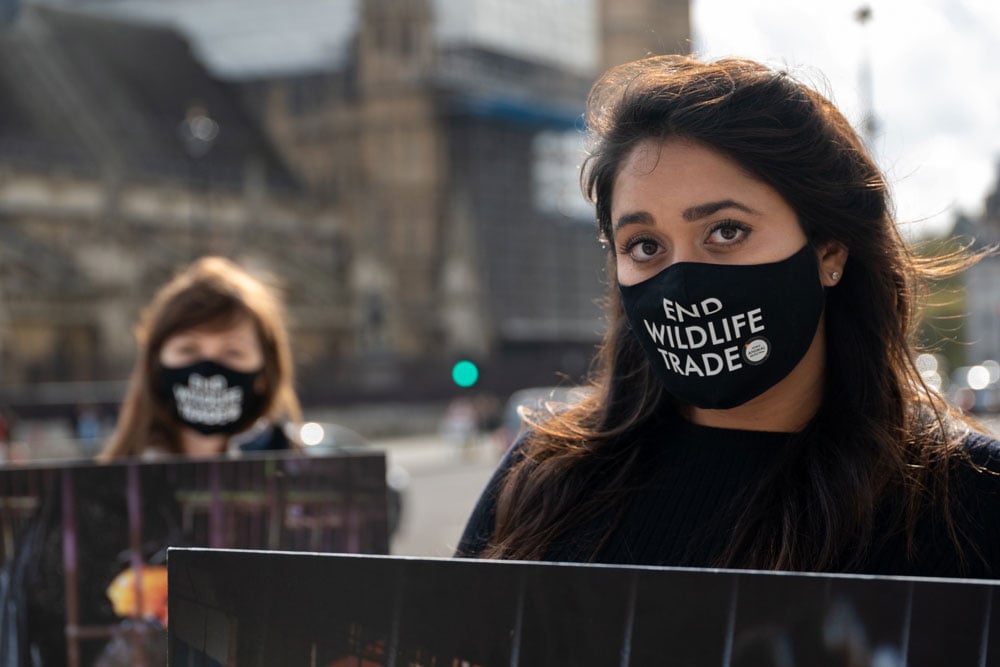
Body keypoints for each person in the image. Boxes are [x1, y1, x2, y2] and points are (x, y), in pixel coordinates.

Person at [457, 54, 1000, 578]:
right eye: (645, 245)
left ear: (829, 251)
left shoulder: (968, 498)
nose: (684, 281)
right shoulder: (543, 479)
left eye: (726, 231)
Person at [100, 255, 302, 460]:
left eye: (233, 352)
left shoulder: (298, 476)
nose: (208, 369)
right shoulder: (115, 483)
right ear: (155, 363)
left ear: (265, 373)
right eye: (188, 350)